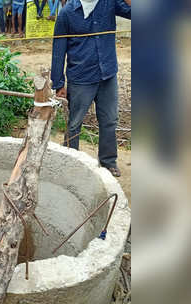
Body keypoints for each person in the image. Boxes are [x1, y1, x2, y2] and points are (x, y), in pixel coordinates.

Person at [51, 0, 131, 177]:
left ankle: (108, 161)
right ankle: (71, 161)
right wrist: (58, 83)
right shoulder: (67, 13)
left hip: (107, 75)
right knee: (74, 123)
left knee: (110, 120)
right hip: (81, 77)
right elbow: (58, 49)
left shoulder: (109, 3)